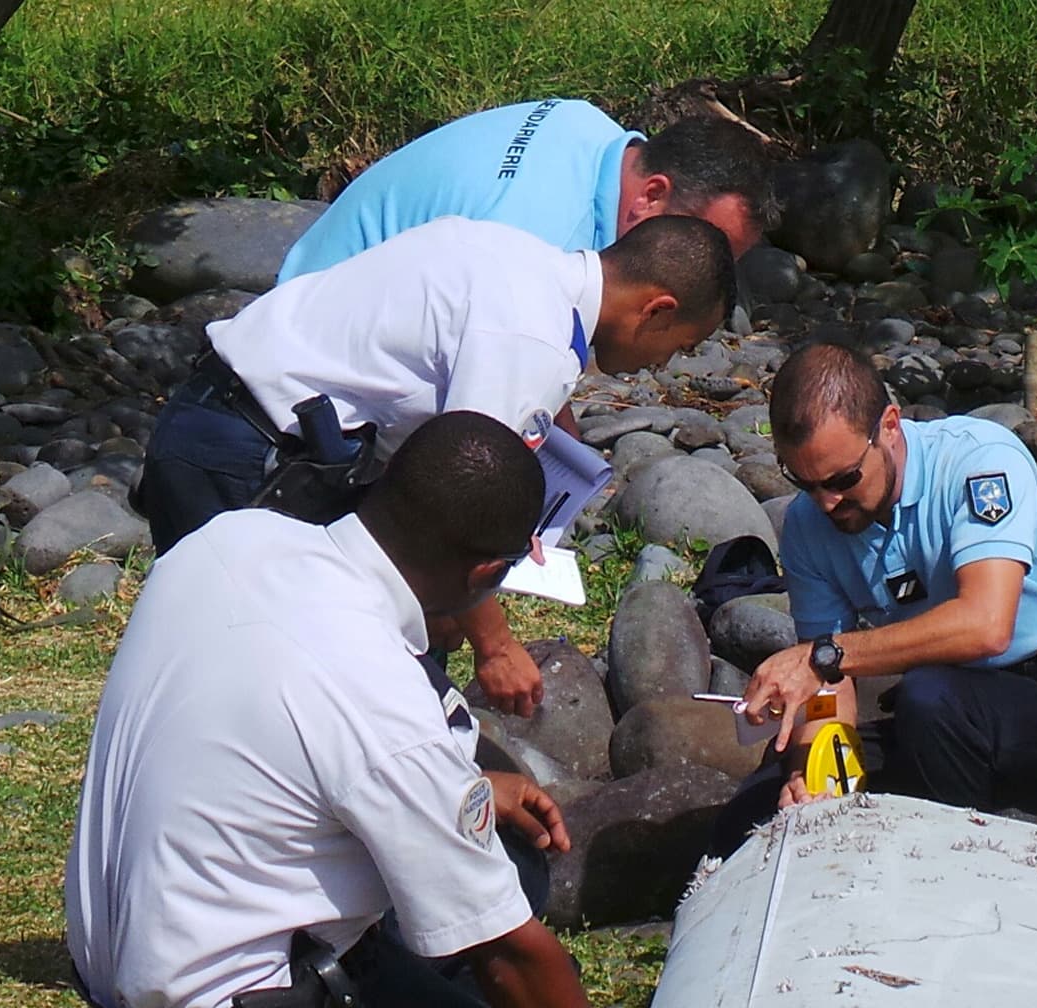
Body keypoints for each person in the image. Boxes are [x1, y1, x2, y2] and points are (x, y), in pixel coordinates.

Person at [72, 411, 719, 1008]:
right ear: (485, 574)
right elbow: (510, 957)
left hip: (122, 967)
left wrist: (474, 791)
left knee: (505, 872)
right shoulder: (374, 694)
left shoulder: (235, 539)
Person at [271, 100, 772, 719]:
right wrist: (485, 632)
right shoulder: (533, 243)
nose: (708, 267)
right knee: (326, 658)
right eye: (705, 245)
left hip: (323, 350)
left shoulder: (593, 139)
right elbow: (450, 480)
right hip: (303, 408)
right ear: (653, 197)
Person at [132, 212, 736, 711]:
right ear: (655, 308)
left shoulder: (517, 253)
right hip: (251, 456)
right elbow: (461, 502)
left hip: (218, 418)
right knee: (252, 681)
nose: (661, 366)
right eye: (677, 346)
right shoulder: (533, 338)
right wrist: (494, 644)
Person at [716, 342, 1037, 847]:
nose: (827, 501)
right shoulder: (809, 526)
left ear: (889, 426)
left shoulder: (980, 461)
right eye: (802, 482)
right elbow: (828, 687)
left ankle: (959, 869)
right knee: (761, 804)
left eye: (843, 479)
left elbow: (985, 625)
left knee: (929, 697)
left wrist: (826, 655)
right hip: (947, 719)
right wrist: (814, 774)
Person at [278, 99, 771, 284]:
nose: (709, 277)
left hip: (315, 277)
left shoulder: (585, 123)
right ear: (652, 195)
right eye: (709, 250)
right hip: (305, 373)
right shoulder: (543, 244)